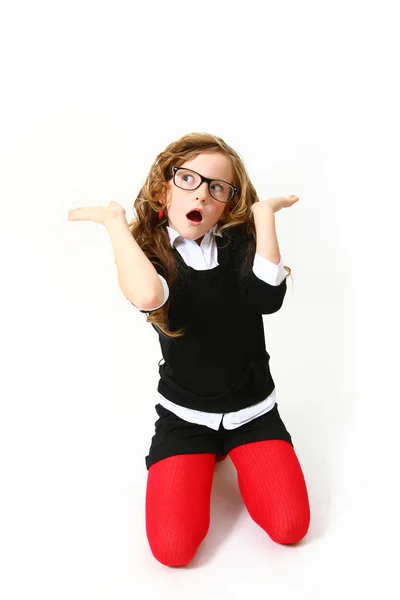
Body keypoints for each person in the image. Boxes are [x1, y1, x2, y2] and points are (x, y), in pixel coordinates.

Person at [68, 131, 310, 567]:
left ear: (225, 204)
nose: (202, 192)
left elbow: (266, 299)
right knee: (173, 551)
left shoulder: (237, 243)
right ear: (165, 187)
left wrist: (263, 216)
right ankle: (211, 449)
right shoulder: (151, 255)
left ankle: (232, 447)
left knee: (290, 527)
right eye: (189, 179)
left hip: (252, 410)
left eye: (217, 187)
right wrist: (115, 225)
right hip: (186, 416)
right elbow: (146, 296)